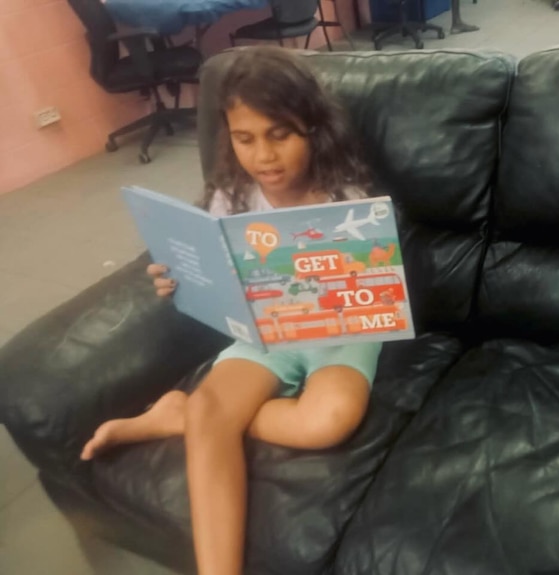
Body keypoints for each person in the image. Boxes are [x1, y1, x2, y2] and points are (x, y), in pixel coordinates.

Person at [79, 46, 383, 575]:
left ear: (313, 130)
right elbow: (210, 271)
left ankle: (182, 414)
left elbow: (372, 282)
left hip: (338, 333)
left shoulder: (344, 197)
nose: (263, 155)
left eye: (280, 134)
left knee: (327, 421)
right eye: (245, 139)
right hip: (263, 331)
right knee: (217, 413)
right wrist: (176, 277)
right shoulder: (232, 197)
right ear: (229, 137)